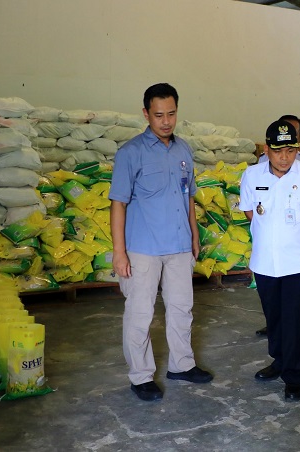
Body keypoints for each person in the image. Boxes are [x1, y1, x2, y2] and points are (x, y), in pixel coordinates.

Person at [109, 83, 213, 402]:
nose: (165, 121)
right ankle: (141, 376)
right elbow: (118, 203)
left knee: (182, 308)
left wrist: (194, 235)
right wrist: (118, 252)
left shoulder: (183, 150)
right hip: (143, 248)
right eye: (158, 115)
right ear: (146, 114)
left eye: (171, 114)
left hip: (180, 245)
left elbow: (188, 197)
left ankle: (182, 365)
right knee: (140, 313)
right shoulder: (131, 153)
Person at [239, 119, 300, 402]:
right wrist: (271, 236)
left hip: (299, 263)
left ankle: (294, 376)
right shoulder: (252, 176)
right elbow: (249, 211)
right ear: (267, 149)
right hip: (266, 263)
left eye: (290, 150)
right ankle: (279, 360)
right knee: (275, 317)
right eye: (278, 150)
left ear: (297, 149)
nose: (284, 157)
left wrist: (295, 236)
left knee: (297, 321)